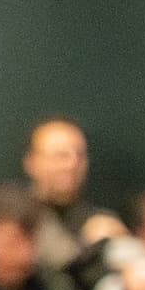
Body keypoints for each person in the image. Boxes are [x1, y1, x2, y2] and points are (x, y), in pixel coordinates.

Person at [10, 116, 117, 272]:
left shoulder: (100, 219)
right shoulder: (16, 217)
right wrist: (88, 243)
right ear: (31, 162)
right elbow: (59, 261)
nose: (72, 164)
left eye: (79, 155)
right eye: (61, 156)